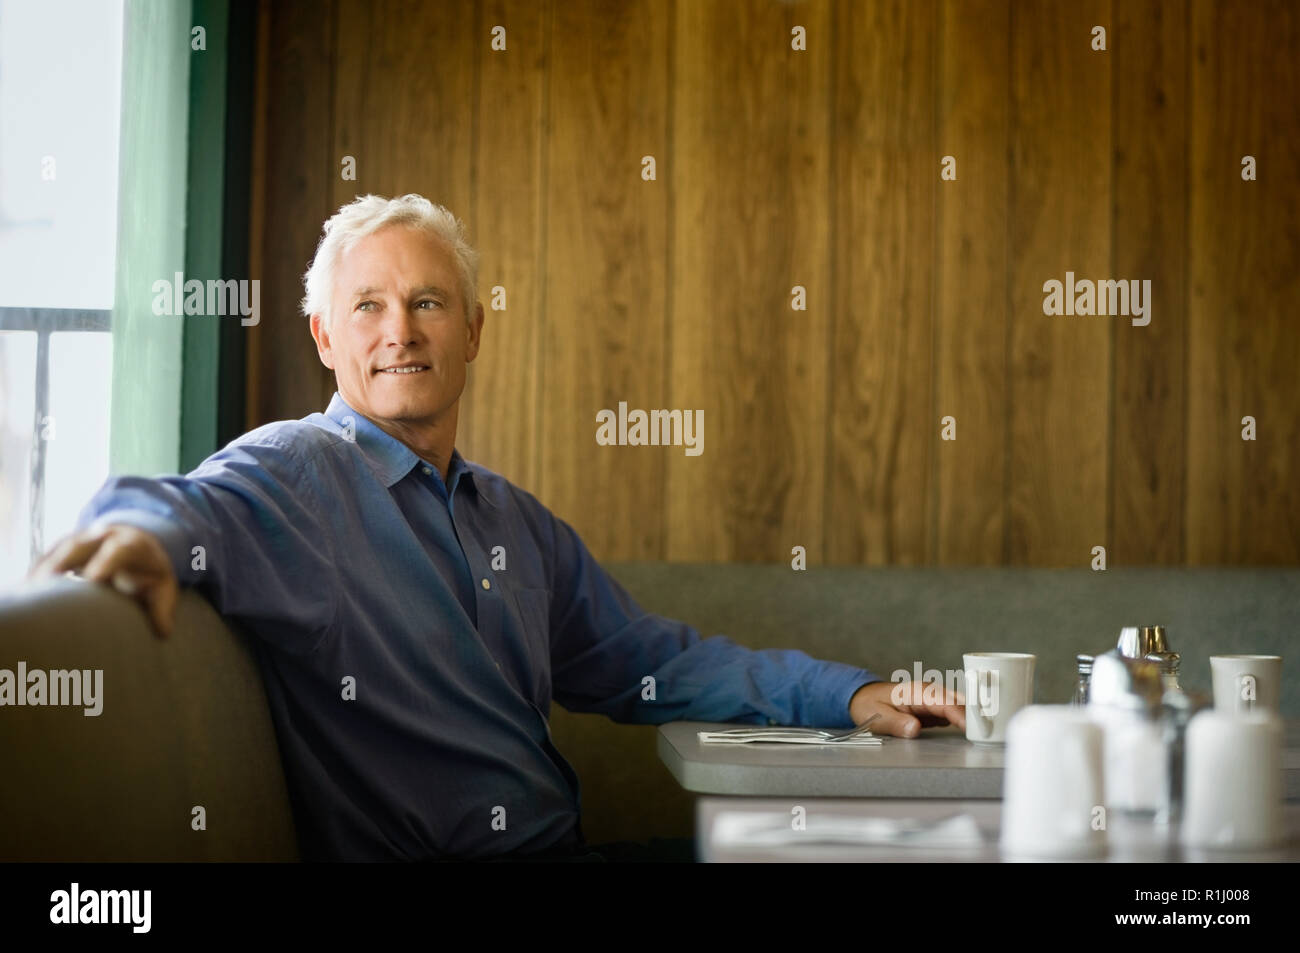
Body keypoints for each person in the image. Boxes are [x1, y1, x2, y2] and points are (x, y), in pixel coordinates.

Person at [30, 194, 965, 862]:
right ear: (325, 338)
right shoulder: (299, 471)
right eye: (368, 306)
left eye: (428, 302)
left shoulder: (513, 518)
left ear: (472, 330)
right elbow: (187, 504)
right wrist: (138, 533)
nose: (400, 330)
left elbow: (653, 658)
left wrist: (850, 694)